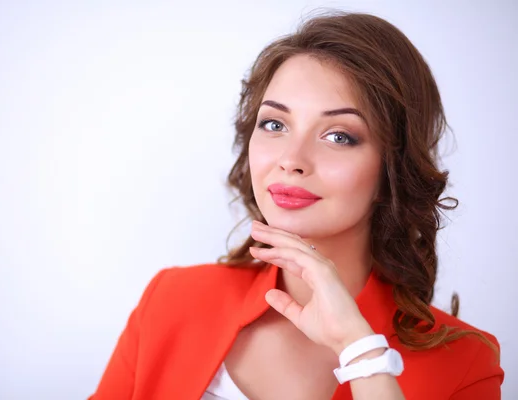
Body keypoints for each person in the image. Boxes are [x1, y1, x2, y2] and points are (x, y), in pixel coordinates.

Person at [89, 11, 504, 400]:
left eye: (339, 135)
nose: (292, 159)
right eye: (275, 124)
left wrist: (361, 352)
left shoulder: (466, 362)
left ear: (392, 169)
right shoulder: (172, 299)